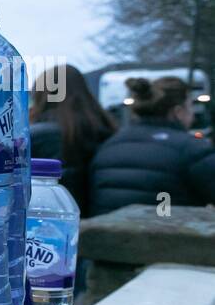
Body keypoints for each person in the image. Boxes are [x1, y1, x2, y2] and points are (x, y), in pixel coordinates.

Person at [89, 75, 215, 216]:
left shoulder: (108, 146)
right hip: (170, 235)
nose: (193, 115)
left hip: (107, 235)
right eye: (190, 107)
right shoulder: (193, 149)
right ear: (178, 112)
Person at [28, 64, 116, 213]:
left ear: (40, 95)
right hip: (98, 216)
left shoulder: (35, 136)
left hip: (52, 220)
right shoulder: (106, 129)